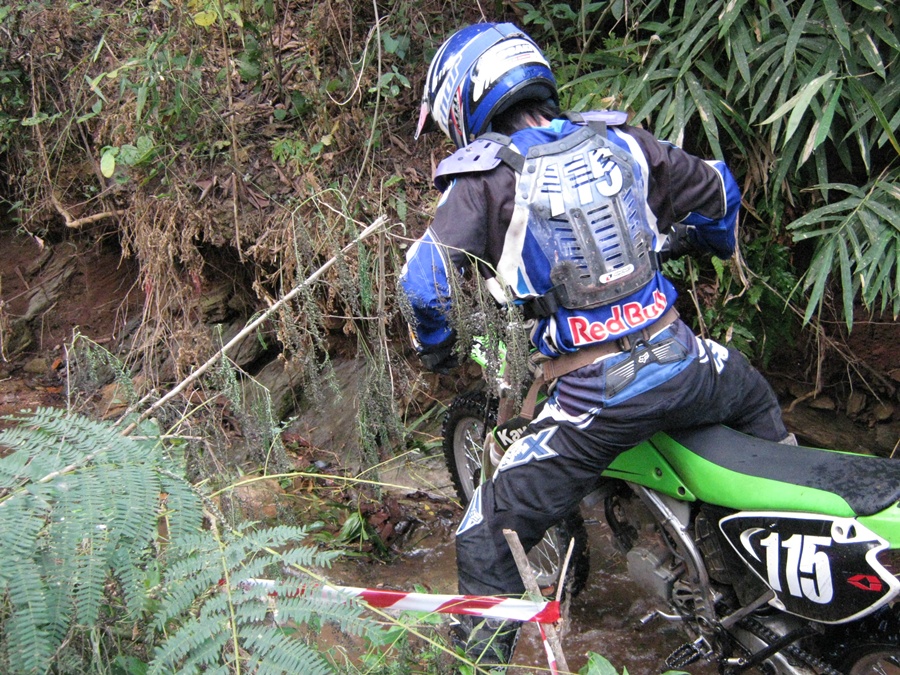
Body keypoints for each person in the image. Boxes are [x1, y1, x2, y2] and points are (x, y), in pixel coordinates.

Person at [399, 22, 794, 672]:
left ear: (462, 102)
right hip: (688, 362)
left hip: (598, 398)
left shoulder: (486, 177)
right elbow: (719, 189)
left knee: (484, 534)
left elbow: (423, 284)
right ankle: (774, 558)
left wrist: (437, 347)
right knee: (755, 397)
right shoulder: (620, 141)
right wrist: (707, 239)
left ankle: (479, 665)